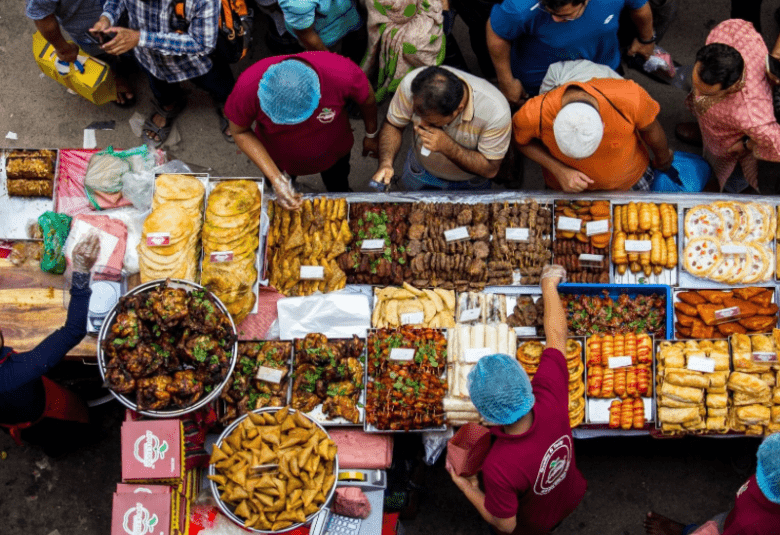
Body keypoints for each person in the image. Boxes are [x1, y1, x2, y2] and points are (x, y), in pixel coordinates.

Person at [448, 264, 586, 535]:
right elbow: (557, 335)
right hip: (570, 494)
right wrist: (548, 284)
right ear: (525, 381)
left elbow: (505, 524)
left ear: (485, 413)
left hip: (533, 524)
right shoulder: (551, 396)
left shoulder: (499, 466)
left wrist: (468, 487)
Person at [225, 52, 378, 208]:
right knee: (282, 195)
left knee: (338, 185)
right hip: (277, 158)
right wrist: (276, 178)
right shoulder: (248, 85)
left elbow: (368, 100)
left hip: (335, 154)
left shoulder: (341, 73)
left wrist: (371, 135)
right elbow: (239, 131)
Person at [0, 235, 99, 456]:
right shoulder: (17, 372)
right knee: (59, 436)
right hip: (40, 415)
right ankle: (72, 445)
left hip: (8, 411)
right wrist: (81, 273)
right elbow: (73, 331)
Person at [91, 0, 236, 147]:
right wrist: (107, 18)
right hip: (148, 58)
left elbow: (201, 44)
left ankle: (228, 104)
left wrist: (141, 38)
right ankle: (169, 106)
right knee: (161, 88)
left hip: (195, 62)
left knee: (220, 85)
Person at [513, 78, 673, 192]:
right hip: (566, 187)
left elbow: (652, 129)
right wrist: (559, 169)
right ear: (554, 123)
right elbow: (520, 141)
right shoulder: (535, 114)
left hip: (631, 181)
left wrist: (663, 159)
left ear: (603, 126)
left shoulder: (628, 98)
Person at [675, 19, 780, 193]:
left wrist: (746, 145)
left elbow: (776, 145)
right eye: (696, 85)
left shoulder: (752, 116)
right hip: (713, 122)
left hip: (728, 141)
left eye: (707, 94)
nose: (698, 97)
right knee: (705, 126)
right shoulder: (728, 33)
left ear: (732, 87)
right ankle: (703, 134)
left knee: (723, 167)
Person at [487, 0, 656, 106]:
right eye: (549, 12)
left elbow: (639, 7)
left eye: (565, 16)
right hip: (542, 85)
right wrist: (506, 81)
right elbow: (497, 34)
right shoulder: (520, 7)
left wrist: (646, 40)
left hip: (604, 69)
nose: (555, 20)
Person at [371, 65, 511, 191]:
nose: (421, 125)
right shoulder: (412, 86)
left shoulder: (496, 112)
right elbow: (394, 125)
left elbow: (490, 169)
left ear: (458, 110)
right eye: (419, 116)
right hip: (420, 172)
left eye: (432, 123)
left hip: (470, 182)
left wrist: (447, 146)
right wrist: (386, 163)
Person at [644, 432, 780, 535]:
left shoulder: (752, 525)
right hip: (732, 518)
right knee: (721, 520)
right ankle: (688, 529)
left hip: (730, 529)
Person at [25, 0, 136, 106]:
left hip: (129, 11)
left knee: (134, 43)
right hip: (89, 29)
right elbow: (42, 16)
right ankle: (114, 77)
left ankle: (132, 58)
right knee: (102, 54)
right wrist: (63, 49)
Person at [277, 0, 362, 57]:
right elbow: (306, 35)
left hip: (349, 17)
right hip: (327, 40)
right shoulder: (297, 2)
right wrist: (331, 62)